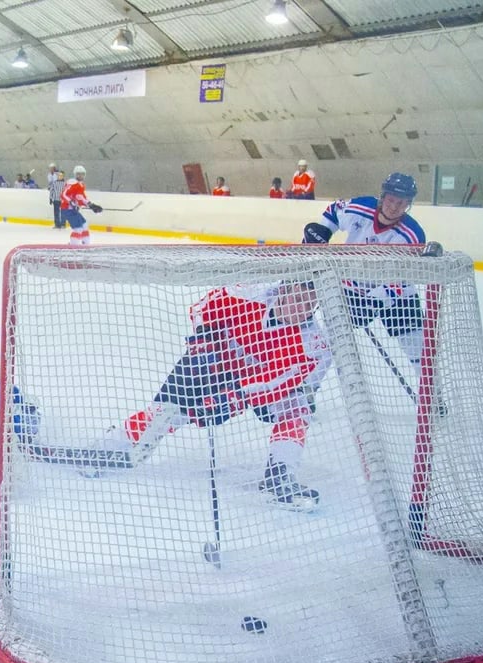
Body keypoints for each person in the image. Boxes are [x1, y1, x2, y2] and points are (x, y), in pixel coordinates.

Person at [112, 282, 331, 509]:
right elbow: (203, 307)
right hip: (218, 363)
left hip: (263, 389)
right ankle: (121, 441)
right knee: (173, 409)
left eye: (310, 304)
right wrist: (204, 337)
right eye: (298, 300)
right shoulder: (248, 293)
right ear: (283, 291)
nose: (301, 310)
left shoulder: (313, 344)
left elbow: (276, 383)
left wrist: (231, 398)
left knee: (297, 407)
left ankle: (280, 475)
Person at [302, 172, 429, 378]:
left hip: (395, 297)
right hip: (349, 289)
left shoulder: (412, 235)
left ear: (408, 204)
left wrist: (374, 300)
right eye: (390, 200)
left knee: (419, 350)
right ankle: (306, 389)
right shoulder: (361, 208)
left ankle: (433, 399)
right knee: (329, 343)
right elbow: (333, 211)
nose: (394, 206)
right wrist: (323, 232)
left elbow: (404, 277)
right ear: (382, 197)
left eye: (401, 202)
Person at [60, 165, 103, 245]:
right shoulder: (72, 182)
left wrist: (91, 205)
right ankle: (73, 245)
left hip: (73, 210)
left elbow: (81, 198)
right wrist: (71, 202)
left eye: (82, 174)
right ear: (75, 174)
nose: (80, 176)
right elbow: (63, 194)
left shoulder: (81, 185)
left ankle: (86, 244)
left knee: (84, 225)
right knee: (78, 229)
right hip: (67, 209)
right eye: (78, 174)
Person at [47, 164, 64, 229]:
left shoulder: (65, 183)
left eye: (61, 176)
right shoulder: (54, 183)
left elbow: (67, 192)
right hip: (56, 199)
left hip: (62, 200)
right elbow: (51, 190)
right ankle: (57, 224)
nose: (59, 177)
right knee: (56, 212)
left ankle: (63, 224)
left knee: (63, 212)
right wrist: (51, 198)